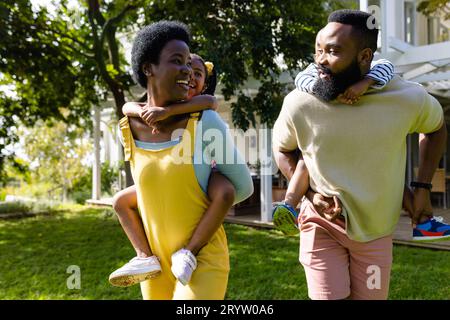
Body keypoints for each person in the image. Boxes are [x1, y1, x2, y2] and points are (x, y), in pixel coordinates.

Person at [272, 9, 447, 300]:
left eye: (333, 51)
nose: (320, 60)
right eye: (318, 50)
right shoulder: (299, 102)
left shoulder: (406, 97)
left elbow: (436, 128)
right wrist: (311, 196)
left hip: (376, 232)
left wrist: (422, 188)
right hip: (321, 225)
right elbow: (281, 149)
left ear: (365, 57)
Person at [114, 21, 253, 299]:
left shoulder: (205, 121)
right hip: (154, 263)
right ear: (148, 68)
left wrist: (207, 181)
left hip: (201, 259)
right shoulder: (126, 128)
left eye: (189, 64)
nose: (187, 71)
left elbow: (242, 188)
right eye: (178, 61)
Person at [272, 58, 395, 236]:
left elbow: (387, 65)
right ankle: (288, 205)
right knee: (305, 162)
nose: (323, 58)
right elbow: (301, 79)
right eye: (319, 51)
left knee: (306, 163)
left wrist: (365, 83)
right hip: (318, 140)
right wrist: (329, 92)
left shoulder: (368, 69)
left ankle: (289, 205)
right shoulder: (316, 70)